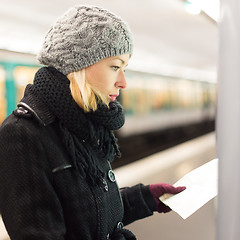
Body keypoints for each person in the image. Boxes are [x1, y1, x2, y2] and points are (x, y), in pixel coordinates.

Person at [0, 5, 185, 240]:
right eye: (115, 67)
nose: (123, 82)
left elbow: (89, 214)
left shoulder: (81, 124)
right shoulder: (22, 135)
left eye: (124, 69)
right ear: (79, 65)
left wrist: (146, 197)